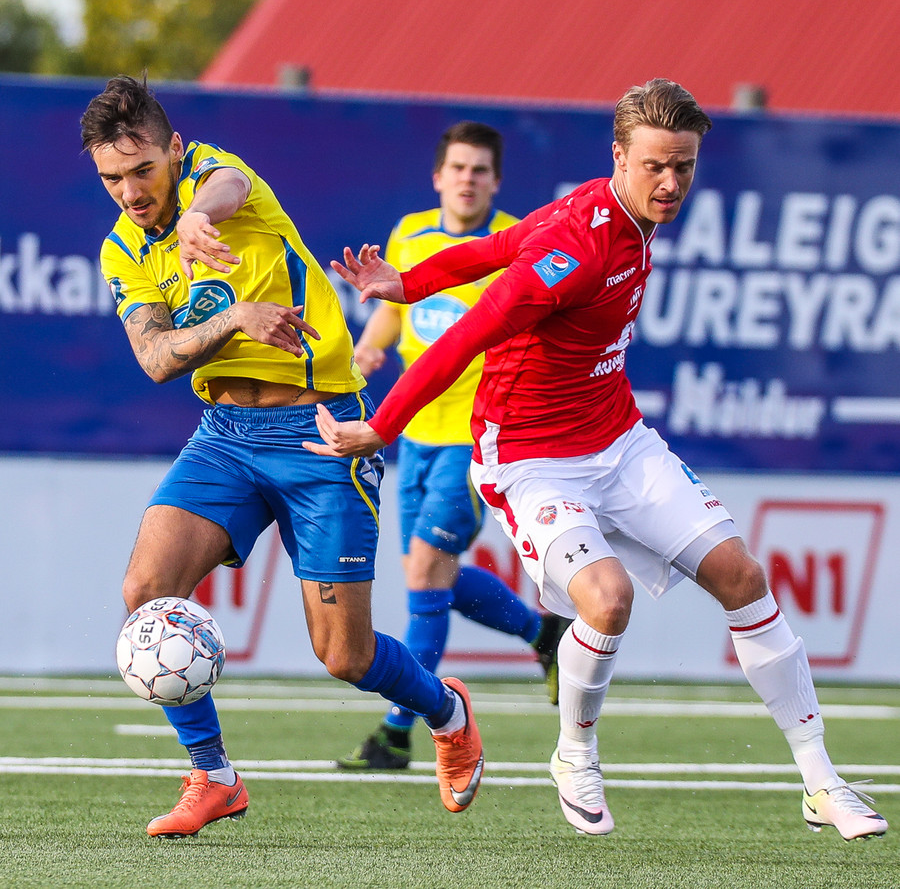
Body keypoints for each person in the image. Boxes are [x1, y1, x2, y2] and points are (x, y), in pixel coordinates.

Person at [305, 78, 889, 841]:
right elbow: (466, 338)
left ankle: (822, 783)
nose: (670, 183)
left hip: (617, 437)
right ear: (619, 156)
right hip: (528, 456)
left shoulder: (615, 209)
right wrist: (381, 427)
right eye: (655, 166)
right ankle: (574, 755)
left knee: (743, 577)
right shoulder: (576, 248)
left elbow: (498, 246)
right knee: (607, 601)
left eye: (683, 166)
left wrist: (410, 282)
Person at [80, 74, 484, 838]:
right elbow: (156, 358)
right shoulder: (122, 249)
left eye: (143, 170)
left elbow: (224, 188)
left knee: (345, 656)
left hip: (321, 432)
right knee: (146, 591)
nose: (130, 193)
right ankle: (213, 777)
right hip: (225, 438)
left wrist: (196, 215)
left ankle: (446, 710)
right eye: (111, 179)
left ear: (175, 150)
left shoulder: (221, 180)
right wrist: (233, 318)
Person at [338, 122, 570, 771]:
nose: (468, 179)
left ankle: (398, 731)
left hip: (474, 440)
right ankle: (542, 632)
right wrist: (371, 345)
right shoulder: (410, 234)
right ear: (438, 177)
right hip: (411, 435)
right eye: (458, 168)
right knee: (431, 579)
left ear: (496, 182)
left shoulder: (518, 243)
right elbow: (396, 306)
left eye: (480, 170)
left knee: (423, 574)